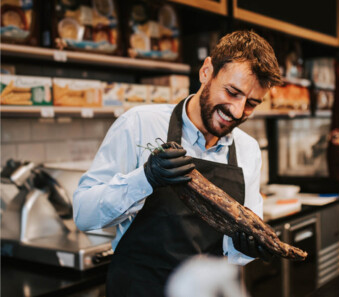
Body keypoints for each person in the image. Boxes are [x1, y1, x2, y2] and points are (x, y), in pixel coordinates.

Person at [73, 30, 282, 297]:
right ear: (207, 71)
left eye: (251, 103)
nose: (238, 111)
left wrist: (249, 248)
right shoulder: (139, 124)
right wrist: (145, 178)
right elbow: (83, 213)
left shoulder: (247, 150)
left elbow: (236, 252)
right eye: (232, 92)